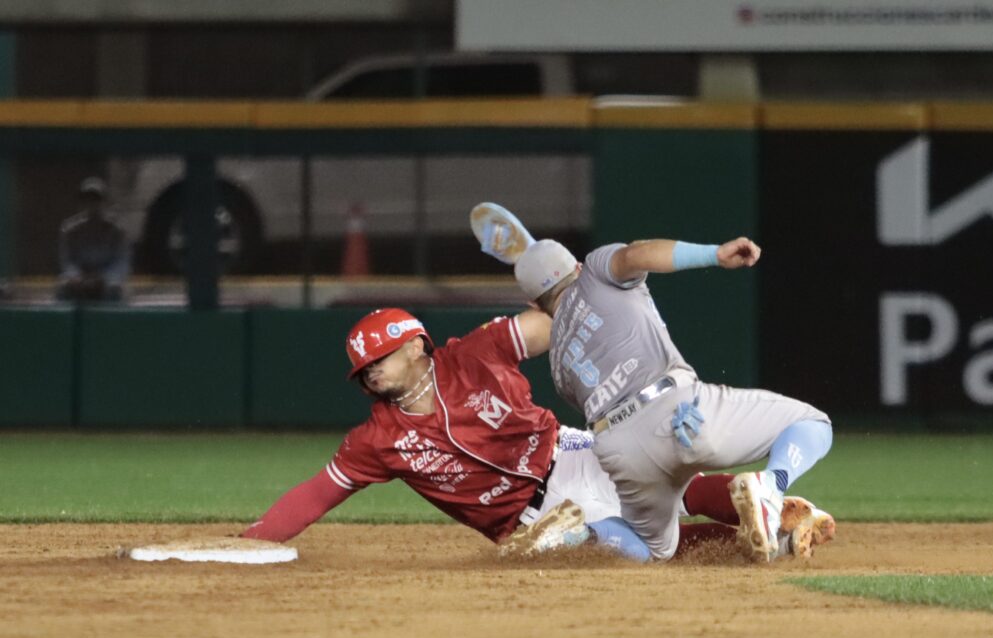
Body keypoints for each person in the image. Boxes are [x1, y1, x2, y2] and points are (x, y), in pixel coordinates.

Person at [242, 306, 835, 561]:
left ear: (418, 346)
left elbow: (554, 322)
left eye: (380, 358)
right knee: (650, 549)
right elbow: (318, 492)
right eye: (363, 369)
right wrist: (256, 538)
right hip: (524, 517)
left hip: (570, 451)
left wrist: (567, 289)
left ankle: (769, 510)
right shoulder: (375, 440)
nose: (370, 371)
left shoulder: (475, 354)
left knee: (669, 490)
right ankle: (778, 515)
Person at [471, 202, 834, 563]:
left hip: (620, 450)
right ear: (577, 267)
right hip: (679, 414)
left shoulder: (558, 365)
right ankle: (770, 489)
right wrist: (713, 254)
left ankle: (583, 532)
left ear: (534, 305)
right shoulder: (597, 270)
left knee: (655, 548)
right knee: (813, 423)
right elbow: (640, 253)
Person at [56, 177, 130, 302]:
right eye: (87, 200)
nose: (92, 204)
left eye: (96, 200)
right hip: (79, 279)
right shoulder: (70, 230)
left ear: (104, 202)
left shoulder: (117, 231)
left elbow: (121, 263)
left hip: (106, 280)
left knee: (116, 289)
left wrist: (102, 278)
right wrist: (77, 277)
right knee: (63, 288)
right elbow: (67, 261)